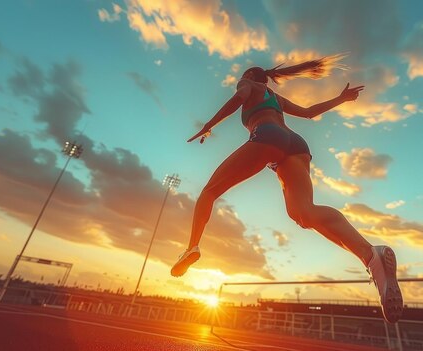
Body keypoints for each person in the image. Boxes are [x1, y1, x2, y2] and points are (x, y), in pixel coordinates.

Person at [170, 55, 404, 323]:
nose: (241, 85)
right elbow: (308, 113)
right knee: (303, 213)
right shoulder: (275, 97)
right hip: (296, 144)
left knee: (209, 192)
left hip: (268, 137)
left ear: (249, 77)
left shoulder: (248, 84)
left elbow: (238, 99)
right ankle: (371, 256)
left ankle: (192, 247)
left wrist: (209, 125)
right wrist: (341, 99)